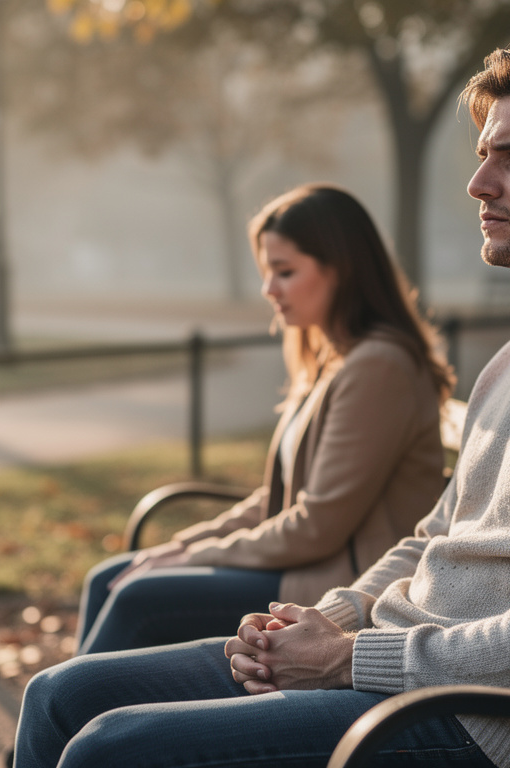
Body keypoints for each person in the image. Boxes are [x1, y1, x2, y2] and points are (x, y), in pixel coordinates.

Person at [14, 43, 510, 768]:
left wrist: (346, 658)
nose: (479, 183)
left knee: (111, 752)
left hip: (472, 731)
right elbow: (431, 537)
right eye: (485, 153)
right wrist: (329, 620)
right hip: (391, 682)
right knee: (59, 696)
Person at [75, 183, 455, 654]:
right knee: (108, 577)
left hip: (336, 589)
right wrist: (185, 545)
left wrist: (196, 555)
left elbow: (316, 525)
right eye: (267, 271)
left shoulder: (378, 366)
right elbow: (275, 500)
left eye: (285, 271)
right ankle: (84, 712)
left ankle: (85, 718)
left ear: (342, 271)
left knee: (136, 598)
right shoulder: (332, 358)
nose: (268, 289)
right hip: (302, 565)